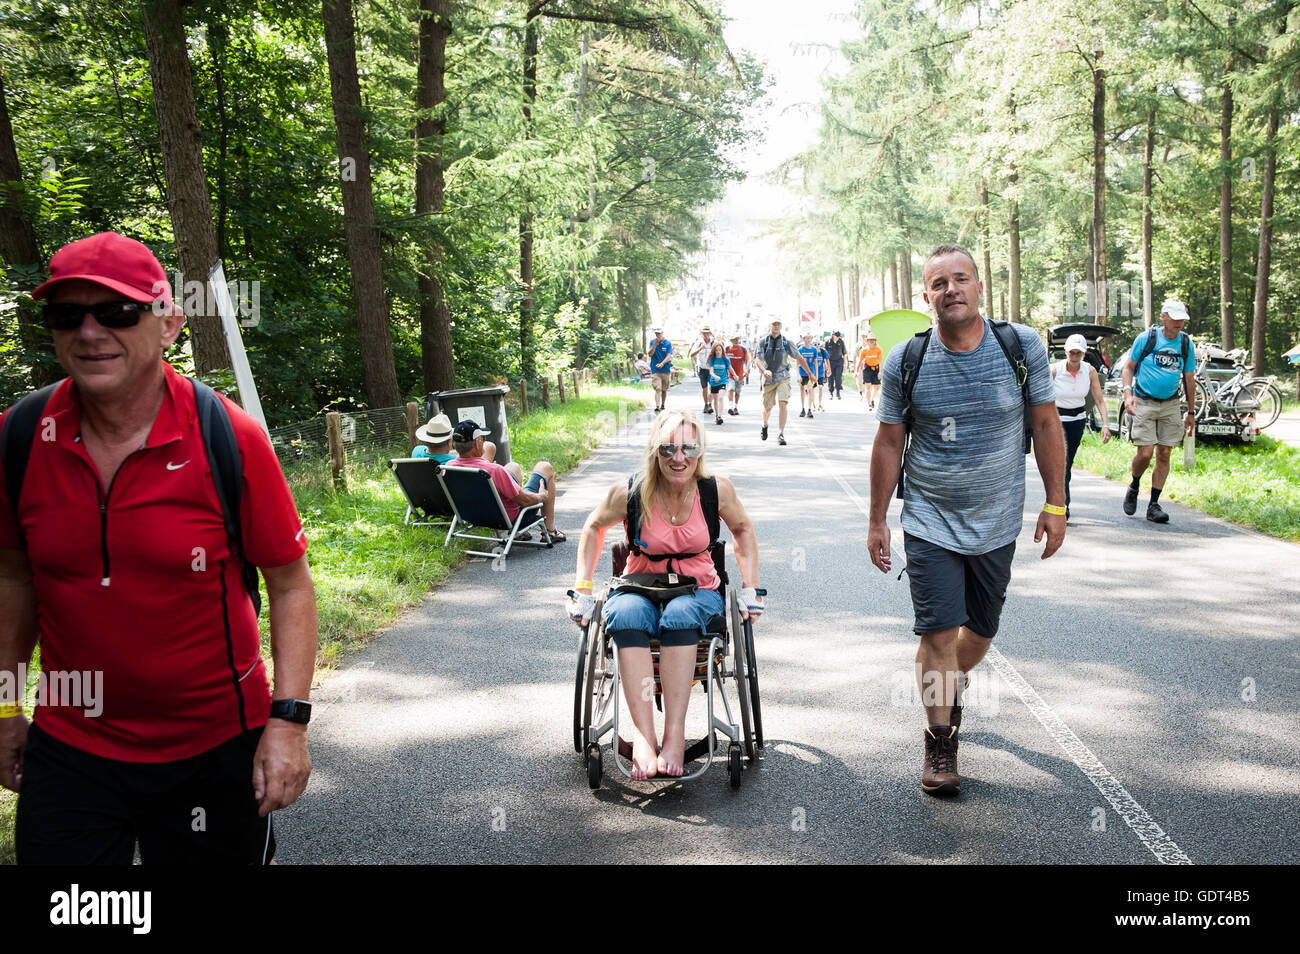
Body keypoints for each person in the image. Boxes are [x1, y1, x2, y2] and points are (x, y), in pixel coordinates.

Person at [0, 231, 318, 863]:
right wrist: (6, 705)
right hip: (72, 747)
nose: (90, 333)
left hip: (214, 747)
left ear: (168, 322)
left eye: (117, 312)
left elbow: (290, 583)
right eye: (68, 315)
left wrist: (287, 722)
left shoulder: (226, 435)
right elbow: (13, 581)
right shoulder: (19, 436)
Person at [868, 242, 1064, 798]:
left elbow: (1047, 425)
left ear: (979, 287)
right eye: (938, 283)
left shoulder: (1019, 345)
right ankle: (940, 741)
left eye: (960, 279)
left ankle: (950, 686)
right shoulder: (908, 359)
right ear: (926, 296)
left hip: (998, 520)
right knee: (936, 633)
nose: (950, 289)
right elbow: (888, 442)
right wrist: (878, 520)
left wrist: (1057, 502)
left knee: (978, 635)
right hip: (929, 518)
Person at [566, 410, 763, 778]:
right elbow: (593, 527)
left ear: (700, 450)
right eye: (668, 448)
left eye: (689, 447)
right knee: (624, 615)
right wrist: (583, 588)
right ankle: (644, 736)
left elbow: (743, 530)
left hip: (697, 587)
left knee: (679, 617)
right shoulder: (630, 491)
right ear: (655, 450)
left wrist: (750, 587)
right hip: (639, 583)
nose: (679, 457)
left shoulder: (715, 490)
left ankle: (674, 735)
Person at [1120, 300, 1197, 524]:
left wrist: (1191, 411)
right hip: (1143, 401)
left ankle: (1153, 504)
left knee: (1164, 453)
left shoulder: (1185, 343)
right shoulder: (1147, 338)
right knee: (1145, 454)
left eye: (1182, 319)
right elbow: (1128, 367)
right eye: (1174, 318)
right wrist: (1128, 395)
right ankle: (1134, 484)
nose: (1179, 323)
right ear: (1163, 317)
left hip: (1171, 404)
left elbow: (1189, 378)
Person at [450, 420, 566, 541]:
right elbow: (525, 501)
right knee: (545, 467)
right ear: (476, 444)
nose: (484, 442)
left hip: (474, 516)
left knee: (513, 466)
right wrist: (542, 496)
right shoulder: (493, 470)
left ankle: (521, 533)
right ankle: (550, 531)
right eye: (482, 438)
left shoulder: (448, 467)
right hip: (507, 519)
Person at [1053, 333, 1110, 518]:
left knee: (1067, 464)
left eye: (1078, 352)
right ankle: (1063, 505)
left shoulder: (1090, 371)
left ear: (1084, 354)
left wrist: (1106, 425)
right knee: (1063, 463)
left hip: (1077, 420)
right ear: (1066, 352)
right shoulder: (1055, 370)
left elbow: (1099, 400)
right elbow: (1039, 397)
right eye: (1072, 352)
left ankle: (1059, 502)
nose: (1075, 355)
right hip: (1057, 420)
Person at [755, 320, 813, 446]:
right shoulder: (763, 342)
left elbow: (799, 358)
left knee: (783, 403)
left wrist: (810, 374)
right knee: (767, 407)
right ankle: (765, 424)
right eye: (773, 324)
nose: (776, 326)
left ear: (781, 326)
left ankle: (781, 433)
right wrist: (764, 370)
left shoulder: (787, 342)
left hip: (783, 376)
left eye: (778, 324)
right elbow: (758, 359)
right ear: (770, 326)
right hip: (768, 377)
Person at [412, 412, 496, 463]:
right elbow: (488, 446)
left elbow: (436, 453)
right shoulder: (454, 462)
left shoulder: (417, 451)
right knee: (489, 446)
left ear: (427, 439)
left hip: (422, 492)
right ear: (449, 442)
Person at [688, 323, 716, 417]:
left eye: (708, 333)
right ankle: (706, 404)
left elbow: (720, 353)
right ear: (701, 333)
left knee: (711, 387)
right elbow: (691, 354)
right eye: (704, 333)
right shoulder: (699, 342)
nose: (706, 335)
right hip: (702, 368)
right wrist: (700, 348)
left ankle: (710, 404)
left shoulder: (714, 343)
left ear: (710, 334)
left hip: (712, 369)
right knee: (704, 388)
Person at [648, 327, 674, 413]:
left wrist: (662, 363)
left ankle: (663, 404)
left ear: (662, 333)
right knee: (658, 388)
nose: (658, 335)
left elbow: (669, 355)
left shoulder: (667, 343)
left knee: (664, 389)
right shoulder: (652, 342)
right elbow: (650, 354)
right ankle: (657, 406)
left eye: (659, 333)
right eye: (656, 334)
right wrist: (654, 345)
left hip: (665, 369)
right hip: (655, 369)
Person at [724, 333, 749, 416]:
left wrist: (746, 370)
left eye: (737, 339)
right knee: (731, 389)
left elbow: (747, 360)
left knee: (738, 392)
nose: (736, 341)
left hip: (740, 374)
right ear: (731, 340)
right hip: (730, 374)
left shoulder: (743, 349)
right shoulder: (727, 349)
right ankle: (730, 407)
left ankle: (735, 407)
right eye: (734, 339)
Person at [857, 332, 883, 408]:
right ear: (867, 341)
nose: (871, 341)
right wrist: (856, 371)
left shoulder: (878, 349)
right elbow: (860, 360)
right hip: (867, 368)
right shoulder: (864, 350)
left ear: (875, 341)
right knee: (868, 386)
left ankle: (872, 399)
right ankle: (869, 404)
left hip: (876, 368)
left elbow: (880, 361)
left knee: (877, 387)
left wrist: (880, 372)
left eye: (873, 340)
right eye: (869, 340)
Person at [706, 341, 729, 425]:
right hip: (714, 382)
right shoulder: (712, 360)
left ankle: (719, 415)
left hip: (723, 381)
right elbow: (711, 372)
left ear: (722, 350)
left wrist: (735, 375)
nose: (718, 351)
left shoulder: (725, 359)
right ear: (714, 351)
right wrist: (715, 377)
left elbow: (730, 368)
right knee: (715, 399)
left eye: (719, 350)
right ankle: (717, 415)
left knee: (720, 397)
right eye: (716, 350)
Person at [797, 333, 819, 419]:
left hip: (811, 374)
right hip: (802, 373)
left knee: (810, 390)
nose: (808, 340)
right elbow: (797, 364)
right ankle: (803, 409)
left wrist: (816, 375)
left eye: (810, 338)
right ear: (804, 339)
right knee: (802, 390)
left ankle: (809, 409)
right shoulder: (800, 349)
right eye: (806, 338)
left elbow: (816, 363)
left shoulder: (814, 349)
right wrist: (798, 374)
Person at [825, 331, 848, 400]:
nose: (837, 338)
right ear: (833, 335)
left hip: (839, 362)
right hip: (830, 362)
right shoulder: (828, 342)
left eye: (838, 336)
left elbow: (844, 353)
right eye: (835, 336)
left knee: (838, 377)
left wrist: (845, 363)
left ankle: (838, 391)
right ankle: (831, 392)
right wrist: (826, 364)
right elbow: (825, 353)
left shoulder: (841, 342)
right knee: (830, 378)